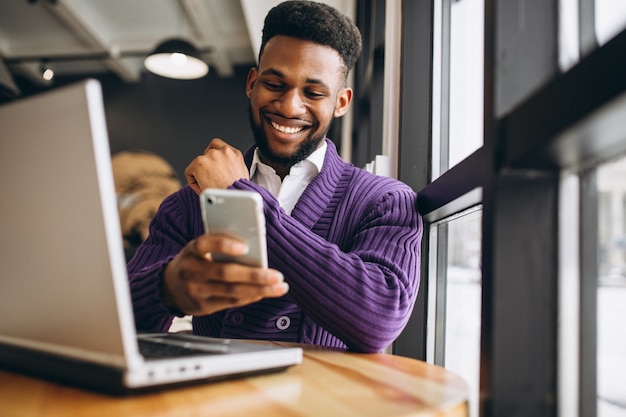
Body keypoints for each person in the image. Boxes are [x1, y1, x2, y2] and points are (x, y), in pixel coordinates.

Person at [128, 0, 423, 353]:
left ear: (341, 103)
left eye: (313, 92)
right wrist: (168, 289)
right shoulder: (189, 202)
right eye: (275, 84)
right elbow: (118, 319)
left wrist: (239, 199)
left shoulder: (386, 200)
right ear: (252, 83)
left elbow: (379, 320)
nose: (289, 106)